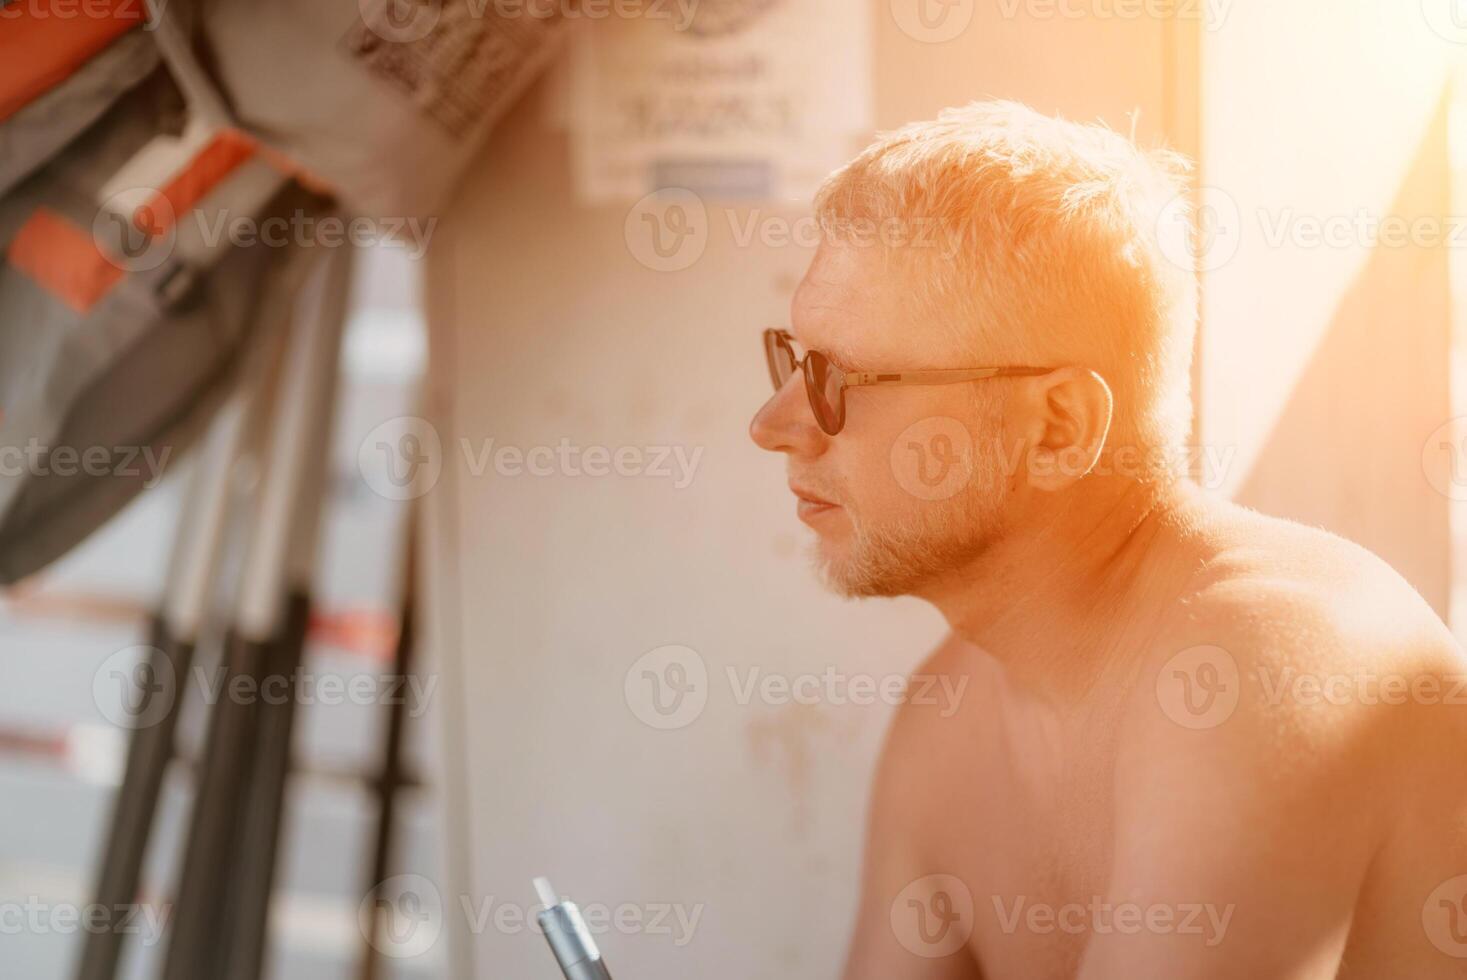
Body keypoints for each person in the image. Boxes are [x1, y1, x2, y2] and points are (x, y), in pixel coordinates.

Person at [749, 99, 1467, 979]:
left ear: (1057, 425)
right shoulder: (950, 711)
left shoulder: (1256, 665)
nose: (774, 423)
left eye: (836, 379)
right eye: (793, 359)